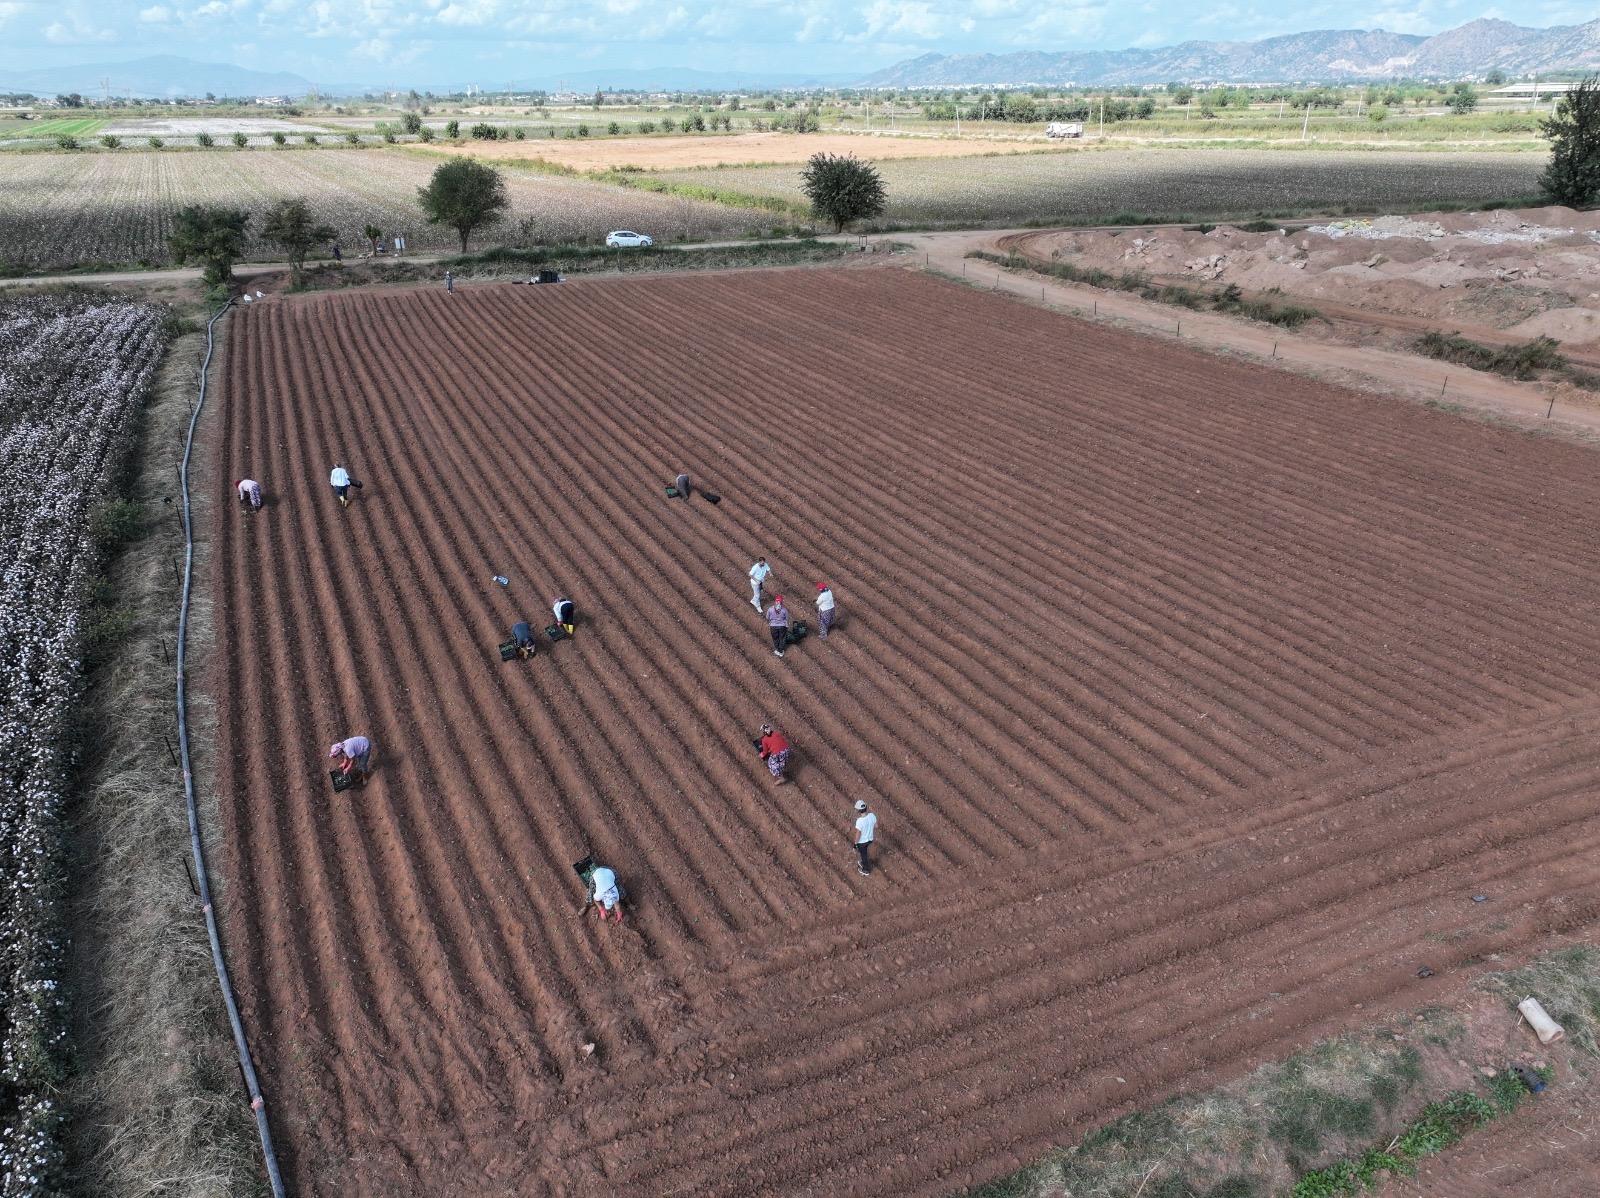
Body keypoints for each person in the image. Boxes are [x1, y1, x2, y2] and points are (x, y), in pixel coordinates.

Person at [852, 800, 877, 876]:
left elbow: (858, 833)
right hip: (870, 839)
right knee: (865, 851)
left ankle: (865, 869)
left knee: (864, 854)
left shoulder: (859, 821)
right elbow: (876, 826)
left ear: (858, 811)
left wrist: (855, 844)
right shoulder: (872, 815)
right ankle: (863, 862)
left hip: (862, 842)